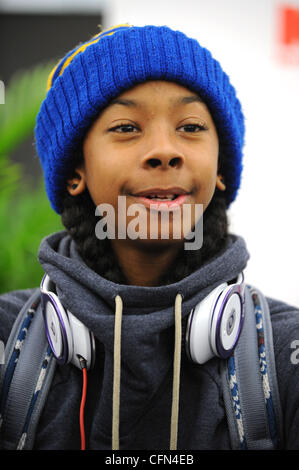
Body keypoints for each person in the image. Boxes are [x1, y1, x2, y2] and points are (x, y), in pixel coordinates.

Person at [0, 23, 299, 451]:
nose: (165, 150)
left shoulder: (285, 352)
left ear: (219, 172)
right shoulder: (8, 339)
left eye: (191, 127)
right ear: (75, 173)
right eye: (126, 127)